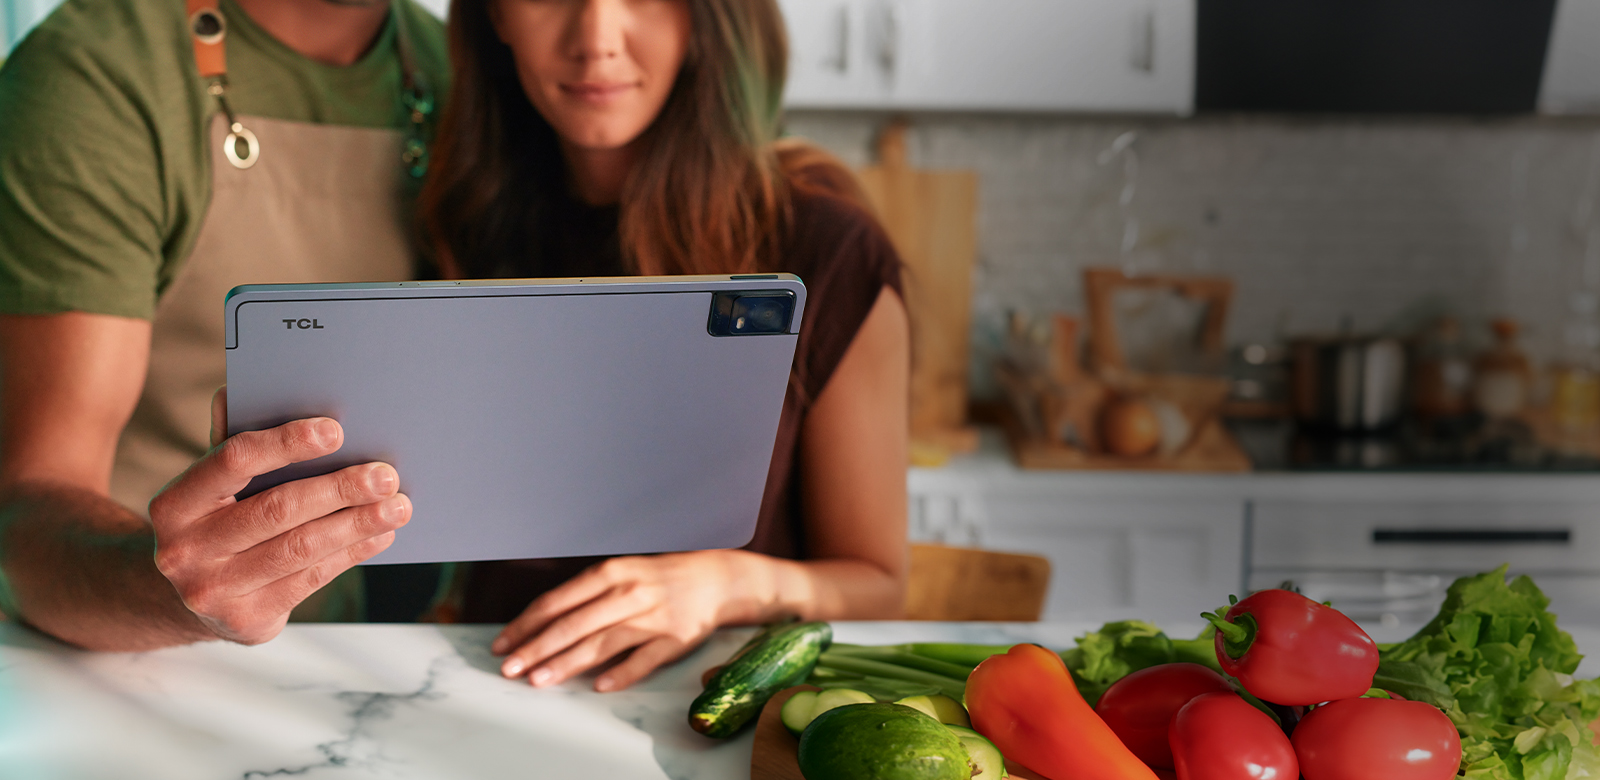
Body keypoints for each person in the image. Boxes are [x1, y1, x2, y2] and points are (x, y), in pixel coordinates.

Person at [417, 0, 910, 692]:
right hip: (484, 690)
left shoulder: (826, 248)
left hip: (715, 718)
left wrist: (727, 582)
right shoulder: (465, 223)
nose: (595, 41)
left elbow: (880, 585)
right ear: (496, 15)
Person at [0, 0, 450, 649]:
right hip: (119, 650)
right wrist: (177, 589)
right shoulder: (100, 71)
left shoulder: (456, 68)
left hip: (365, 650)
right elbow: (24, 515)